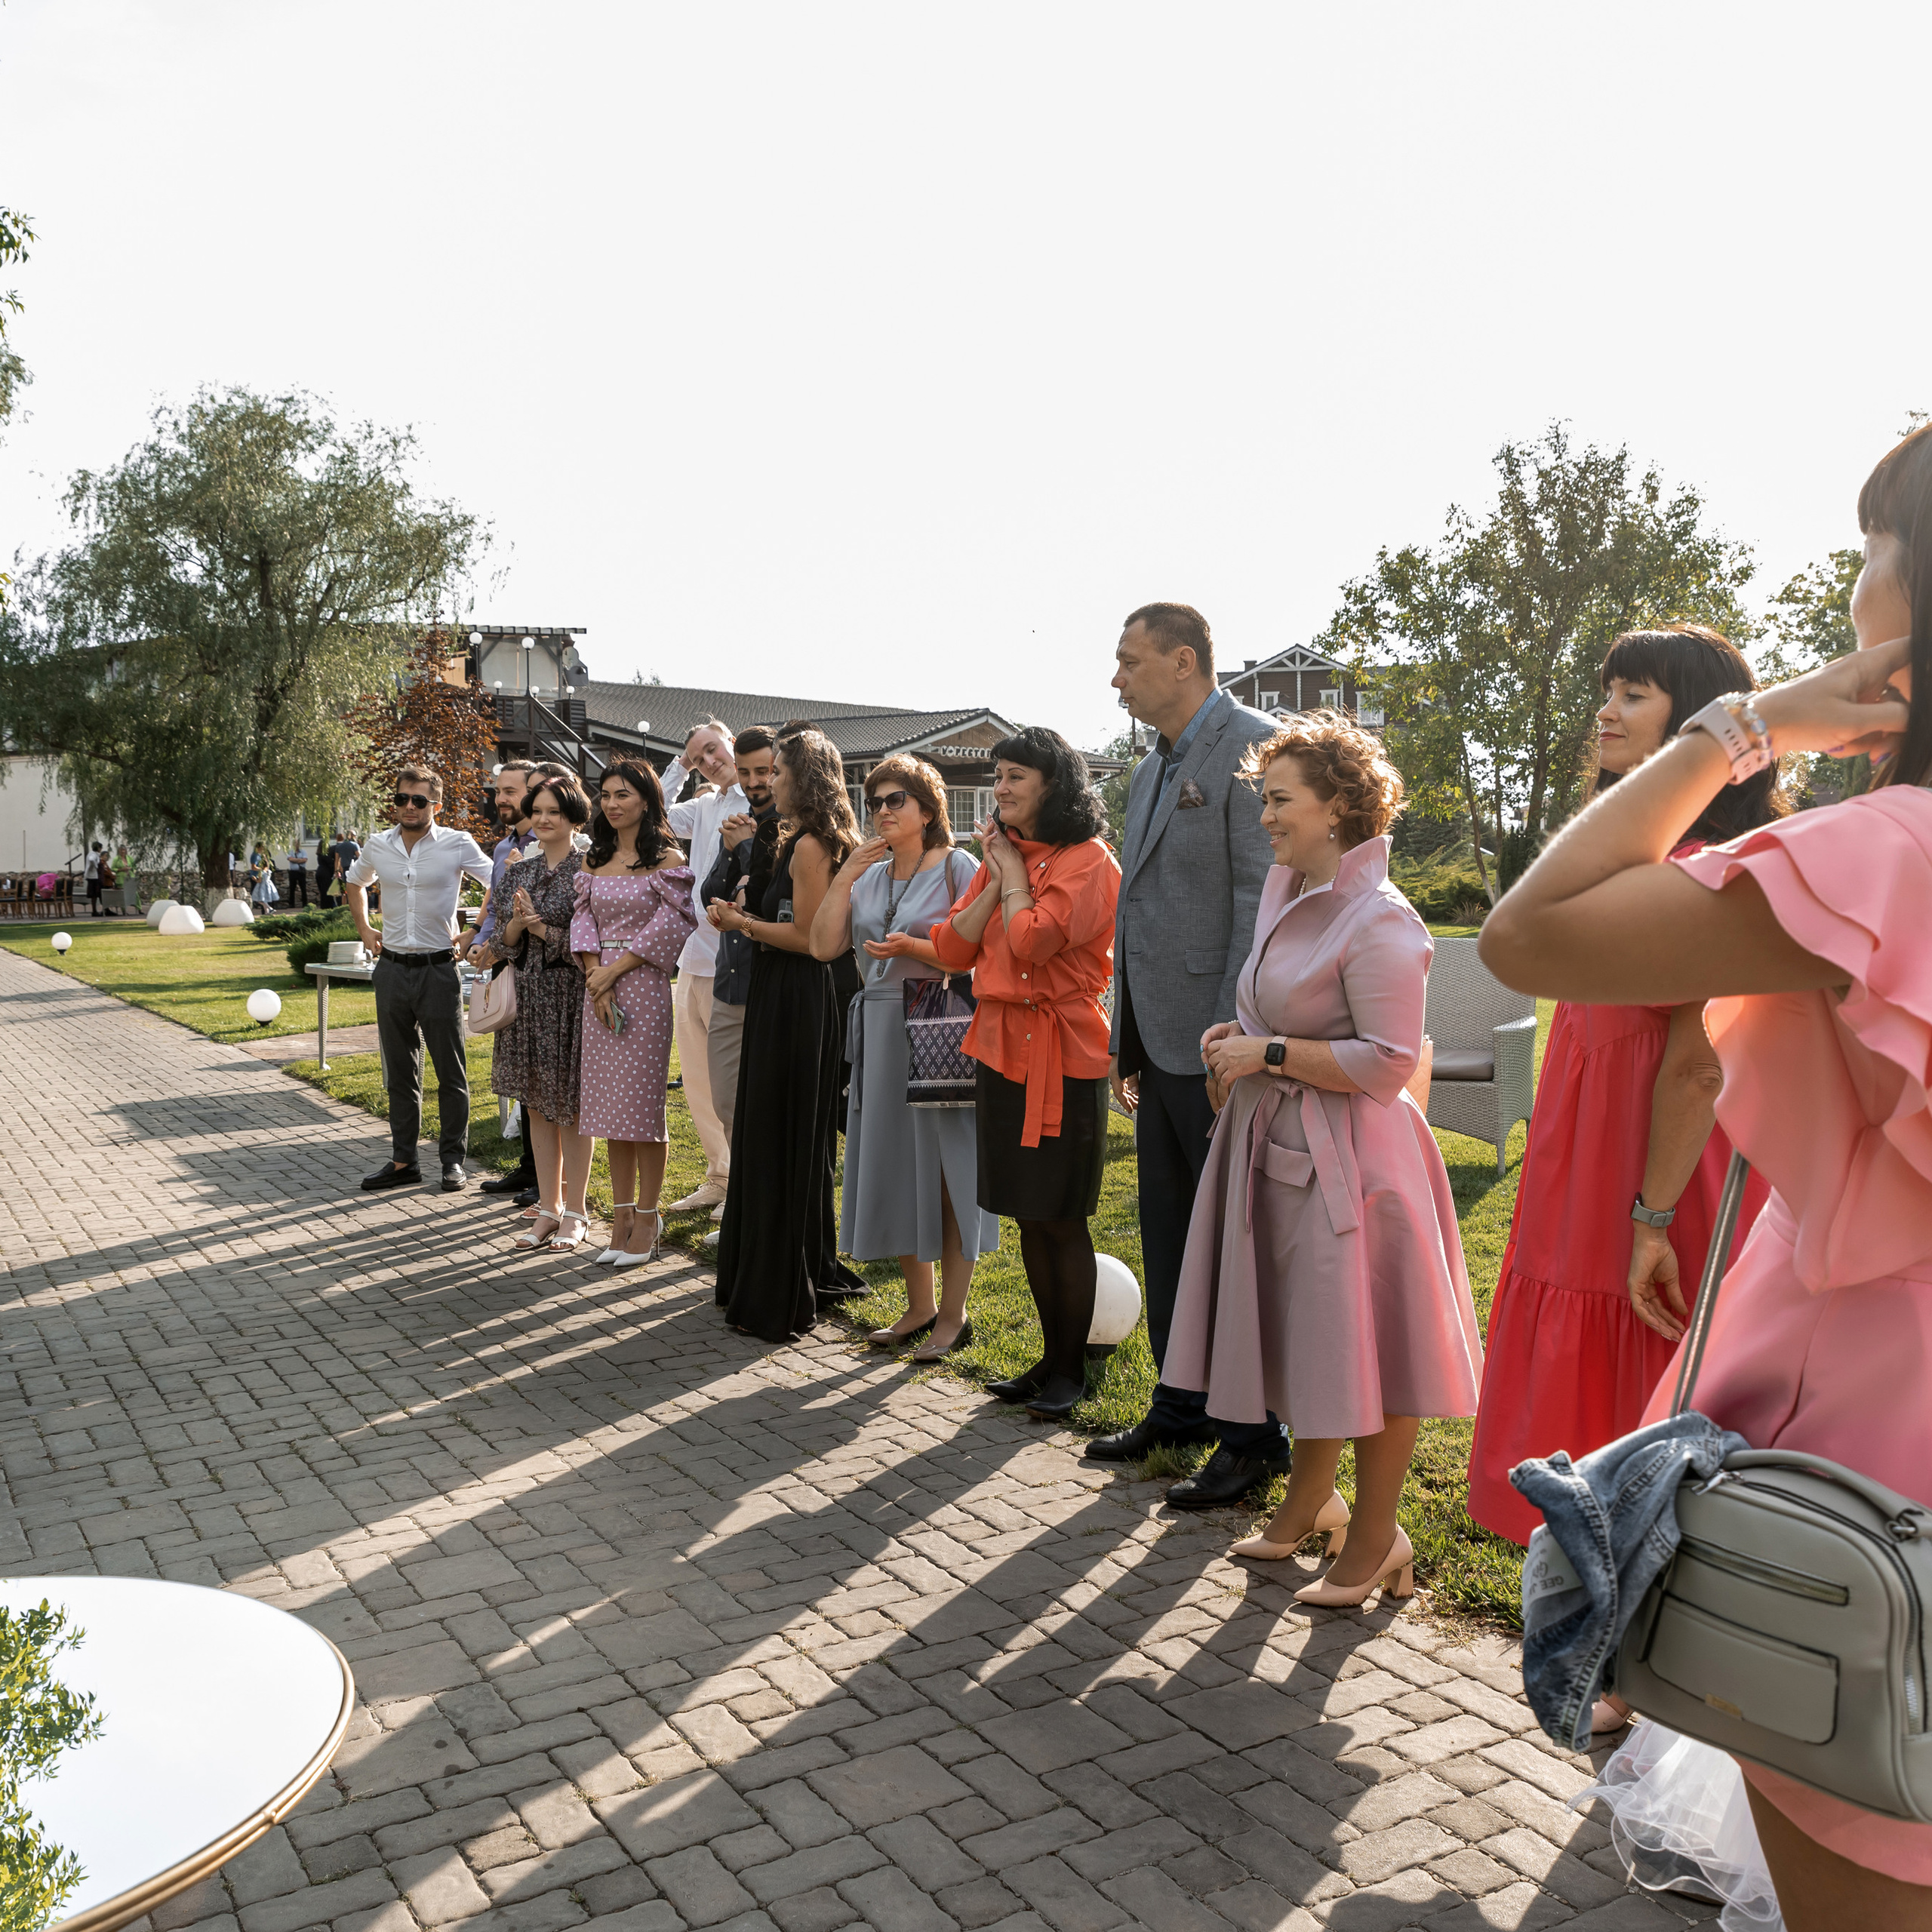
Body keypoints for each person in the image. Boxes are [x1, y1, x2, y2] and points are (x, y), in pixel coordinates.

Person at [1478, 426, 1932, 1929]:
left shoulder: (1884, 855)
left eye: (1870, 543)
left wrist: (1742, 728)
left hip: (1866, 1519)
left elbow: (1534, 929)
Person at [1468, 627, 1780, 1555]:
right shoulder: (1644, 860)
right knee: (1616, 1382)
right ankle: (1603, 1606)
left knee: (1651, 1382)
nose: (1604, 710)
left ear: (1693, 724)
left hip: (1658, 1172)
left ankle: (1628, 1620)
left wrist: (1651, 1215)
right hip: (1589, 1164)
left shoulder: (1700, 868)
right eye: (1606, 689)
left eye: (1632, 693)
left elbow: (1698, 1061)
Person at [1161, 713, 1483, 1601]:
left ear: (1337, 806)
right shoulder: (1290, 892)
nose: (1262, 816)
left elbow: (1387, 1061)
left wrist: (1264, 1056)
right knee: (1312, 1337)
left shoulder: (1381, 918)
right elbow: (1289, 1012)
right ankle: (1310, 1504)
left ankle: (1377, 1538)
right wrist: (1241, 1031)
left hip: (1358, 1169)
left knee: (1374, 1349)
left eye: (1277, 800)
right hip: (1281, 1150)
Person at [1088, 602, 1290, 1505]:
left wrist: (1225, 1037)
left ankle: (1252, 1437)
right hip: (1156, 1038)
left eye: (1128, 662)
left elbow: (1258, 902)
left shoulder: (1253, 748)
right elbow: (1138, 910)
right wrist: (1129, 1035)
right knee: (1169, 1232)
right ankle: (1180, 1401)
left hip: (1213, 1041)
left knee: (1233, 1247)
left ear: (1183, 661)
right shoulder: (1150, 765)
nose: (1116, 678)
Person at [930, 728, 1120, 1418]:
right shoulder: (1006, 853)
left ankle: (1072, 1370)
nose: (1002, 788)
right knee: (1029, 1218)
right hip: (1004, 1050)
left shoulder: (1089, 859)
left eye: (1016, 777)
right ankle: (1050, 1359)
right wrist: (1001, 875)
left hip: (1063, 1054)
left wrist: (1009, 878)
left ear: (1054, 785)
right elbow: (952, 948)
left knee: (1061, 1217)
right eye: (1000, 775)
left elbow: (1036, 938)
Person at [811, 755, 1000, 1359]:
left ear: (928, 808)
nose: (883, 812)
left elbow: (978, 953)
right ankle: (918, 1306)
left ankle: (954, 1313)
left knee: (948, 1171)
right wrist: (844, 877)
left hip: (938, 1025)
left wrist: (913, 945)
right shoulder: (865, 876)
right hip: (880, 1029)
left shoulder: (957, 867)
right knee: (894, 1165)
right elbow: (822, 948)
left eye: (897, 800)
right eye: (876, 803)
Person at [709, 727, 866, 1339]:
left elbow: (808, 939)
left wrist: (741, 923)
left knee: (781, 1134)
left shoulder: (811, 846)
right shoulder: (792, 839)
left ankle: (781, 1281)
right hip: (782, 995)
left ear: (803, 776)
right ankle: (783, 1265)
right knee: (775, 1132)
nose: (767, 781)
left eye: (776, 772)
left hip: (799, 997)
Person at [569, 761, 696, 1267]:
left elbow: (677, 919)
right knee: (609, 1113)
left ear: (646, 799)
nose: (612, 803)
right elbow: (582, 918)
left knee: (642, 1112)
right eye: (605, 795)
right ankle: (620, 1220)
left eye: (623, 794)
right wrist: (595, 978)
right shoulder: (593, 859)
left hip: (642, 986)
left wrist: (615, 970)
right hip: (597, 989)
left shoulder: (667, 857)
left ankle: (648, 1218)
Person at [344, 770, 494, 1193]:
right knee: (399, 1072)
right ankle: (403, 1161)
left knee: (451, 1070)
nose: (409, 807)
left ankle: (452, 1161)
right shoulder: (378, 844)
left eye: (419, 801)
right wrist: (365, 928)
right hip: (391, 968)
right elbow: (355, 883)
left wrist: (477, 929)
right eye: (402, 799)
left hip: (438, 970)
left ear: (437, 806)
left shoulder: (457, 843)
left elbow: (498, 880)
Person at [470, 774, 593, 1251]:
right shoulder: (519, 872)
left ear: (573, 818)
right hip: (526, 1001)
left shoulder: (591, 870)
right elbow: (501, 944)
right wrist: (518, 928)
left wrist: (541, 930)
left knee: (571, 1108)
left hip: (571, 998)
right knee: (537, 1106)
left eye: (553, 812)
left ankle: (577, 1211)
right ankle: (548, 1207)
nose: (543, 819)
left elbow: (590, 944)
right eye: (537, 810)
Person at [656, 721, 749, 1217]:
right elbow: (656, 814)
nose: (708, 760)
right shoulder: (705, 805)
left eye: (711, 749)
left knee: (730, 1083)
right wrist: (678, 767)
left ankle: (742, 1182)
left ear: (730, 743)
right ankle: (719, 1177)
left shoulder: (753, 800)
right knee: (696, 1081)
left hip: (731, 965)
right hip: (691, 962)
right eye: (699, 757)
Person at [697, 729, 777, 1247]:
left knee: (762, 1111)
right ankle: (742, 1202)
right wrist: (732, 852)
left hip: (772, 985)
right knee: (727, 1103)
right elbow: (708, 893)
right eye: (745, 773)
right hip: (730, 981)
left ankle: (754, 1215)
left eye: (762, 772)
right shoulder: (737, 823)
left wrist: (748, 848)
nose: (752, 783)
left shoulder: (794, 829)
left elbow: (769, 901)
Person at [466, 761, 543, 1203]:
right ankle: (528, 1168)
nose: (502, 800)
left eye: (511, 792)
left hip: (540, 970)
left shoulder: (549, 846)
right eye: (498, 792)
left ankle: (545, 1179)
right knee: (521, 1072)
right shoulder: (501, 849)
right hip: (504, 963)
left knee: (541, 1073)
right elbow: (494, 908)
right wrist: (480, 942)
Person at [283, 841, 310, 908]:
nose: (296, 845)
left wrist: (295, 860)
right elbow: (290, 859)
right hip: (293, 872)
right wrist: (299, 860)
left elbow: (304, 860)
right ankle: (291, 904)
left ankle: (305, 904)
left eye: (297, 844)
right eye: (295, 844)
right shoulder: (290, 851)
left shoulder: (303, 851)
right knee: (292, 888)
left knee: (303, 888)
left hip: (301, 872)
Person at [315, 835, 338, 907]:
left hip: (319, 872)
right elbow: (330, 864)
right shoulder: (326, 855)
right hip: (326, 874)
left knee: (322, 891)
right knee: (328, 891)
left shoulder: (319, 854)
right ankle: (328, 906)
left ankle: (324, 905)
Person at [85, 841, 105, 916]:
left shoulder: (95, 854)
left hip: (94, 877)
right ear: (98, 848)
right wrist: (96, 866)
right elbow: (91, 860)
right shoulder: (93, 854)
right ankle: (94, 911)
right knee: (95, 894)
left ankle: (101, 910)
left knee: (97, 894)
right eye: (101, 848)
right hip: (94, 878)